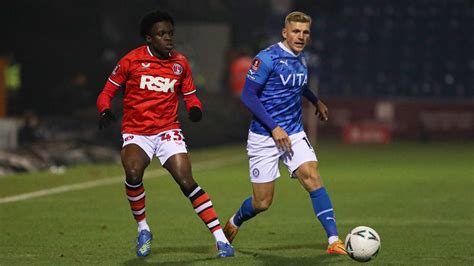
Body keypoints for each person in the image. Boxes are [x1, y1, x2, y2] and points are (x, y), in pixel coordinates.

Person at [96, 10, 234, 258]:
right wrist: (105, 109)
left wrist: (195, 110)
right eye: (161, 34)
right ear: (149, 38)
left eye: (170, 33)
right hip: (137, 133)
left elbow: (190, 96)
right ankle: (143, 229)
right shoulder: (131, 61)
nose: (168, 38)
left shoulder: (180, 63)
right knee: (134, 172)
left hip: (168, 130)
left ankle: (221, 240)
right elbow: (106, 92)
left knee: (186, 181)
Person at [223, 11, 347, 255]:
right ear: (285, 33)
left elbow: (297, 85)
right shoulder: (267, 58)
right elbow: (248, 95)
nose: (300, 36)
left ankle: (334, 240)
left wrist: (315, 100)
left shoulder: (302, 58)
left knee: (311, 175)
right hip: (264, 135)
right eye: (296, 31)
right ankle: (234, 221)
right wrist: (273, 126)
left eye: (305, 32)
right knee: (262, 202)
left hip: (293, 132)